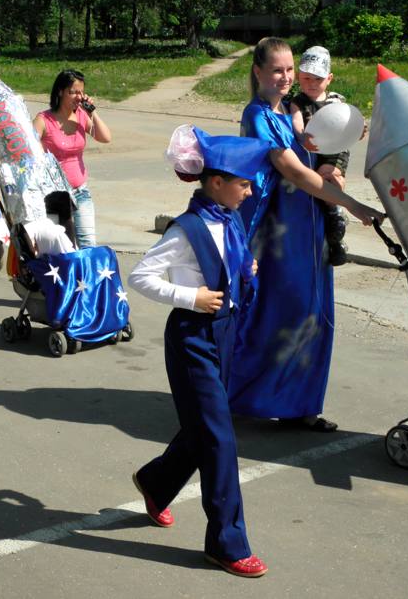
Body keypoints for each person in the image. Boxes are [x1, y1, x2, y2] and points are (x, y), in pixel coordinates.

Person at [128, 125, 272, 578]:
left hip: (224, 333)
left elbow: (230, 261)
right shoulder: (186, 229)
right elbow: (140, 276)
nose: (250, 191)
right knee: (220, 438)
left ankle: (155, 482)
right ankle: (226, 543)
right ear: (215, 182)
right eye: (244, 183)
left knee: (202, 429)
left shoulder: (230, 219)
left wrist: (242, 266)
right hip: (192, 337)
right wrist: (191, 298)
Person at [229, 37, 383, 430]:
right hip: (279, 236)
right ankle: (242, 397)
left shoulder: (288, 115)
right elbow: (295, 171)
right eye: (277, 70)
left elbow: (319, 147)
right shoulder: (259, 116)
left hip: (308, 230)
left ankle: (302, 406)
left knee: (313, 315)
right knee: (279, 317)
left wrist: (347, 131)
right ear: (258, 72)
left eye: (289, 70)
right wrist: (352, 204)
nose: (285, 77)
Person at [289, 46, 356, 266]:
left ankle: (335, 221)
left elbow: (351, 122)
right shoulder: (298, 102)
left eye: (317, 78)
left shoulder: (337, 100)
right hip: (314, 150)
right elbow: (297, 124)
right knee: (322, 183)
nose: (311, 83)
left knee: (332, 178)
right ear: (299, 77)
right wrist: (302, 137)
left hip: (335, 152)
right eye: (306, 77)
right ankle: (334, 216)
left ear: (329, 79)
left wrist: (359, 129)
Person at [32, 69, 111, 248]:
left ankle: (84, 276)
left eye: (81, 92)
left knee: (88, 243)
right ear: (60, 92)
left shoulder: (81, 115)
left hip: (80, 191)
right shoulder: (43, 119)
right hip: (54, 195)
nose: (79, 96)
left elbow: (105, 137)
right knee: (62, 248)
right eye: (73, 92)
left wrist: (92, 113)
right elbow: (29, 152)